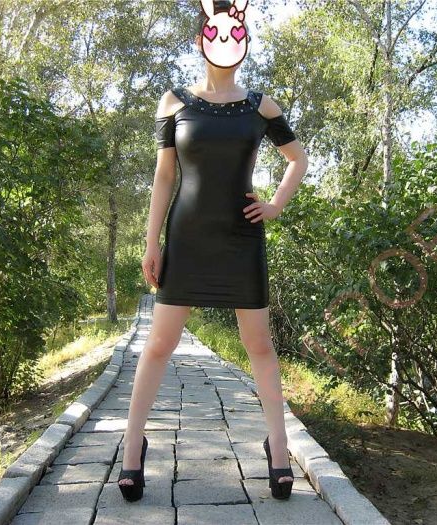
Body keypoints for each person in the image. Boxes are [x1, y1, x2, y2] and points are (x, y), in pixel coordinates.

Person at [118, 0, 309, 502]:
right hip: (186, 238)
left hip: (241, 238)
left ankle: (279, 449)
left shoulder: (261, 106)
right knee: (158, 344)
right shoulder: (174, 102)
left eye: (235, 33)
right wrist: (151, 241)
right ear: (201, 38)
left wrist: (275, 204)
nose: (226, 41)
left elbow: (298, 158)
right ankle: (132, 448)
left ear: (244, 42)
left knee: (259, 345)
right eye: (217, 31)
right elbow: (164, 177)